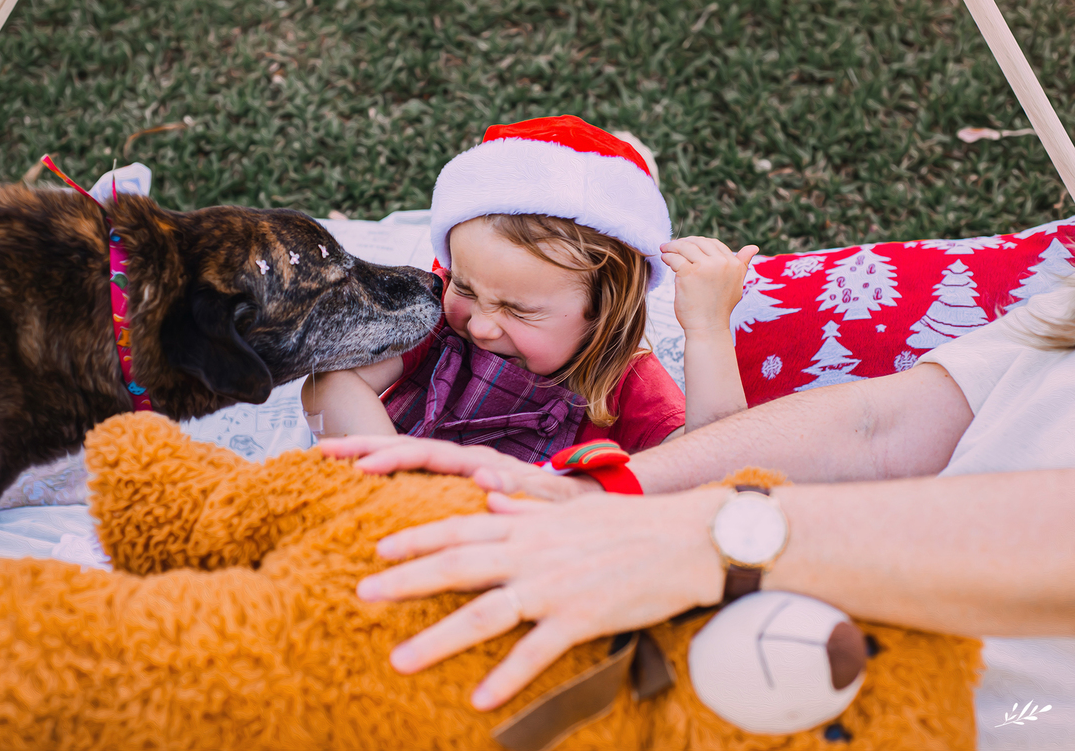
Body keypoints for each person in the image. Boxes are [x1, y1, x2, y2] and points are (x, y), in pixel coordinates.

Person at [319, 284, 1075, 745]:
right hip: (770, 625)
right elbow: (877, 427)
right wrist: (604, 494)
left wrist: (716, 534)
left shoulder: (632, 388)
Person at [302, 115, 757, 459]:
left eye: (518, 311)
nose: (480, 325)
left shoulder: (626, 385)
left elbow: (716, 466)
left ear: (606, 312)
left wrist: (708, 330)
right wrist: (393, 482)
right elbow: (329, 382)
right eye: (465, 285)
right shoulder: (437, 315)